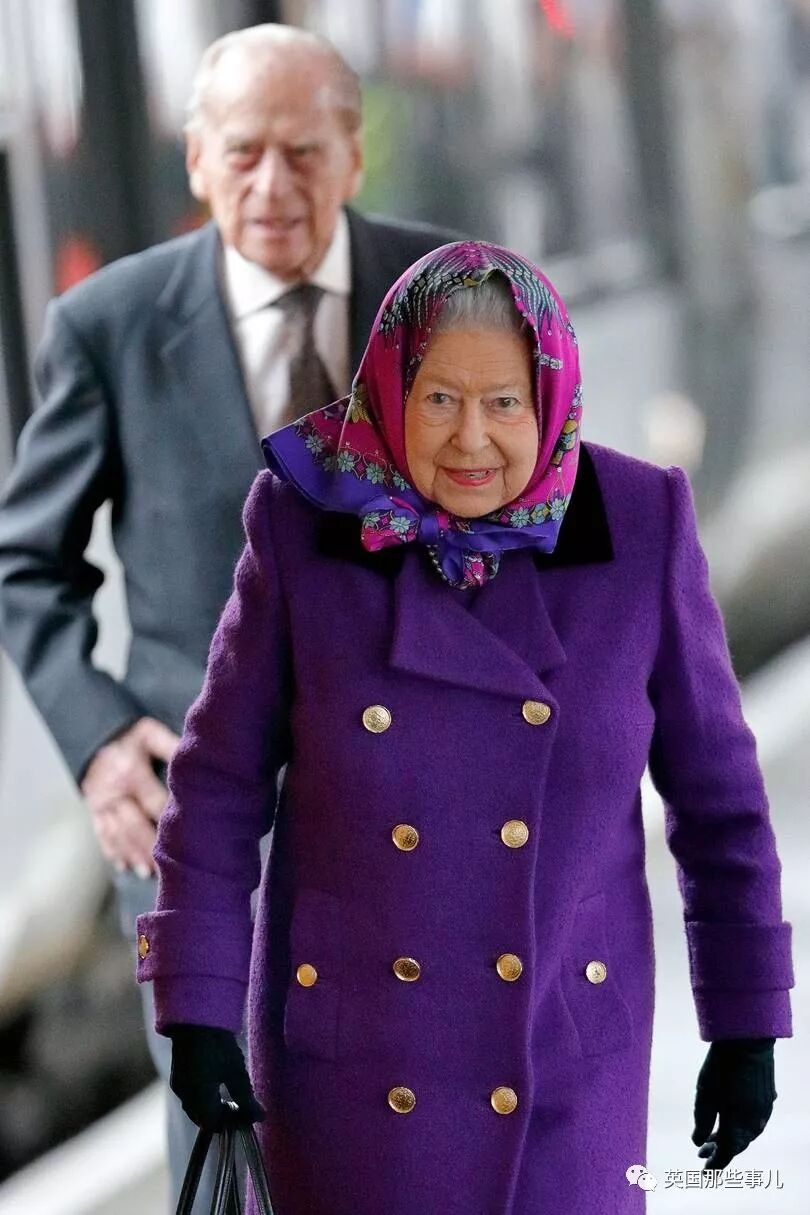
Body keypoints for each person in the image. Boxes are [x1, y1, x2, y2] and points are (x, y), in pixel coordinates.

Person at [136, 242, 794, 1215]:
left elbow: (720, 803)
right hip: (354, 1079)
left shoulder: (640, 524)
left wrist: (746, 1021)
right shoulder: (302, 524)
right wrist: (196, 1008)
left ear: (553, 399)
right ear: (389, 390)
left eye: (505, 403)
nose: (471, 439)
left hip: (563, 1066)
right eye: (438, 399)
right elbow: (217, 785)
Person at [0, 23, 457, 1208]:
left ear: (354, 156)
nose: (272, 186)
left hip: (426, 810)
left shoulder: (452, 298)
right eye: (244, 153)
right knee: (233, 1141)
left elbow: (536, 533)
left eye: (303, 153)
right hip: (200, 824)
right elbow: (28, 565)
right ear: (198, 160)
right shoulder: (108, 325)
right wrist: (101, 742)